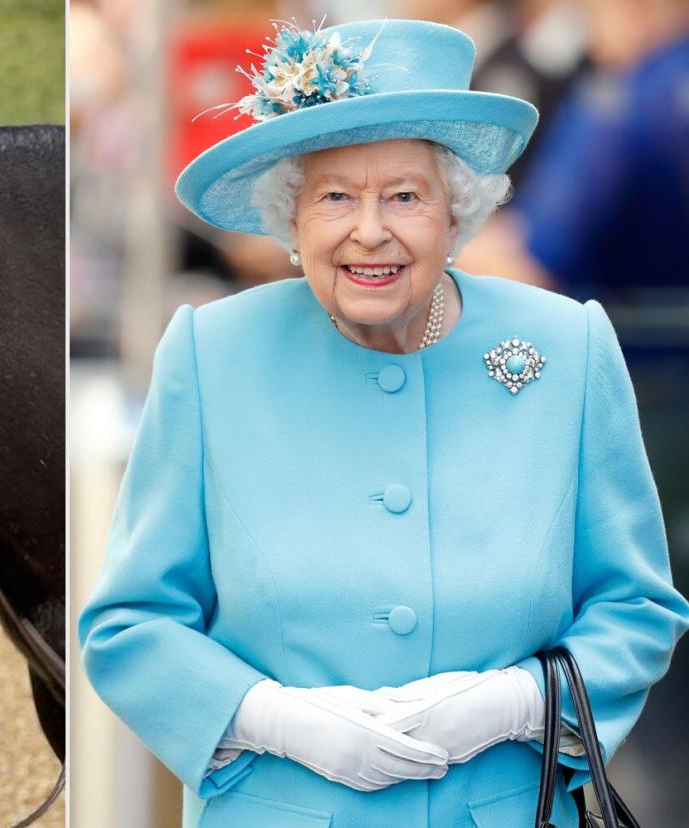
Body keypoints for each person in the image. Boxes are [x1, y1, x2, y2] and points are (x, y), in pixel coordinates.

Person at [77, 18, 689, 827]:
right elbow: (130, 624)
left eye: (405, 195)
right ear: (290, 219)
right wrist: (272, 719)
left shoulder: (567, 346)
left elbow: (638, 608)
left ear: (455, 212)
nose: (370, 231)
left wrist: (517, 704)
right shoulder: (210, 353)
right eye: (335, 197)